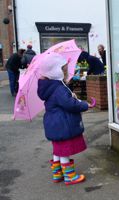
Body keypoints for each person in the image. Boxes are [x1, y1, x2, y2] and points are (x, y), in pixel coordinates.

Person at [37, 52, 92, 185]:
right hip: (62, 123)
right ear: (56, 72)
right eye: (64, 70)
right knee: (64, 151)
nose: (66, 72)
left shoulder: (49, 86)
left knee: (57, 148)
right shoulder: (58, 88)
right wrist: (84, 105)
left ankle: (57, 174)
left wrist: (69, 95)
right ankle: (69, 176)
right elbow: (69, 104)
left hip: (54, 122)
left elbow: (61, 101)